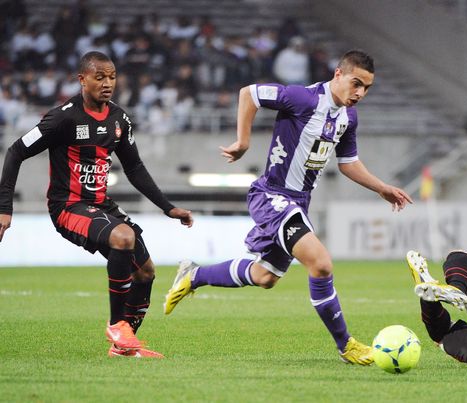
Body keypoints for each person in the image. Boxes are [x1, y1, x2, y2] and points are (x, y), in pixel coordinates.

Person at [163, 49, 413, 365]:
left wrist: (383, 188)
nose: (360, 93)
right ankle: (346, 345)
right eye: (356, 83)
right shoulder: (303, 99)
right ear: (338, 74)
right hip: (272, 195)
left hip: (299, 203)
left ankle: (194, 275)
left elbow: (348, 163)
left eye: (366, 88)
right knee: (321, 263)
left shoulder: (348, 117)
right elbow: (249, 94)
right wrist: (243, 141)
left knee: (265, 276)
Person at [0, 51, 194, 358]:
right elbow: (15, 151)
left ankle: (123, 348)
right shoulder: (63, 117)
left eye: (112, 77)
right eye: (99, 77)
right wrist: (4, 209)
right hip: (68, 207)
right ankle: (117, 324)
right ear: (82, 80)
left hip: (102, 205)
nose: (107, 83)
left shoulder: (119, 119)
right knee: (124, 237)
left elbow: (134, 168)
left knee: (145, 272)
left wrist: (167, 207)